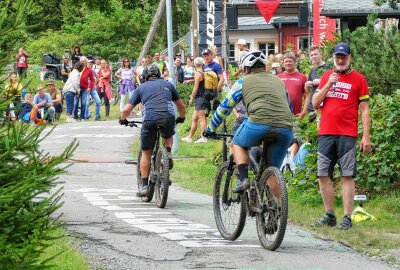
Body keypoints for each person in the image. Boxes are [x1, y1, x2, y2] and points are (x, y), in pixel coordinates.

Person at [204, 51, 293, 193]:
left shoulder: (242, 82)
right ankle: (277, 211)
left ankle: (243, 179)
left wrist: (210, 129)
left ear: (246, 69)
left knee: (237, 143)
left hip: (258, 123)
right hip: (285, 128)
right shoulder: (279, 81)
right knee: (273, 171)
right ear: (265, 67)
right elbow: (289, 107)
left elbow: (224, 108)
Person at [311, 42, 372, 230]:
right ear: (333, 58)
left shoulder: (359, 79)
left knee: (347, 175)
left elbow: (364, 110)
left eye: (344, 57)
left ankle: (346, 216)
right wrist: (329, 84)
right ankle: (329, 214)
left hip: (347, 134)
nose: (340, 60)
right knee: (323, 174)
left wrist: (366, 137)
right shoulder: (327, 76)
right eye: (337, 56)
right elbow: (315, 103)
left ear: (349, 58)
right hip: (326, 132)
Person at [119, 64, 186, 196]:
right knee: (168, 135)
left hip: (150, 119)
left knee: (146, 153)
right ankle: (167, 154)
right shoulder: (168, 85)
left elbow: (127, 109)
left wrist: (122, 119)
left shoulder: (141, 87)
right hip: (168, 117)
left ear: (145, 76)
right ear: (159, 74)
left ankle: (144, 186)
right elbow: (181, 105)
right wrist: (182, 117)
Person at [181, 57, 209, 143]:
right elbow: (199, 81)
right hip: (204, 97)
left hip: (200, 98)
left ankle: (203, 137)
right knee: (194, 118)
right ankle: (189, 137)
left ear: (195, 64)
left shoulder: (197, 73)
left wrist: (191, 98)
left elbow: (196, 87)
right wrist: (190, 80)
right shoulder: (203, 72)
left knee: (202, 118)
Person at [278, 52, 309, 118]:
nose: (288, 63)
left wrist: (304, 112)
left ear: (295, 62)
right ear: (283, 63)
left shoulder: (302, 77)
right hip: (280, 114)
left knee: (295, 128)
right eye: (286, 61)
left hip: (296, 114)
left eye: (290, 61)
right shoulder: (278, 77)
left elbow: (307, 95)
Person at [305, 46, 329, 113]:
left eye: (315, 54)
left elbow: (335, 84)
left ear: (320, 54)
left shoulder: (328, 67)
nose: (313, 57)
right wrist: (306, 85)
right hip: (311, 106)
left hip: (322, 106)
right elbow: (307, 91)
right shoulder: (312, 70)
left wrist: (321, 81)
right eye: (311, 55)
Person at [202, 48, 224, 112]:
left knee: (215, 109)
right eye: (205, 56)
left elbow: (222, 78)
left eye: (208, 55)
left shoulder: (216, 65)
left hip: (215, 90)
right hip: (207, 91)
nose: (206, 57)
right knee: (206, 110)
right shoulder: (204, 66)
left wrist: (216, 90)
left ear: (212, 55)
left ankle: (218, 121)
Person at [74, 56, 94, 121]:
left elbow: (92, 80)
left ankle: (82, 117)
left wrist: (89, 87)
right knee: (76, 103)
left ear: (86, 62)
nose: (82, 62)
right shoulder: (77, 69)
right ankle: (75, 117)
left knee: (84, 103)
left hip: (85, 89)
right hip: (77, 88)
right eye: (81, 61)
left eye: (84, 61)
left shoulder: (89, 70)